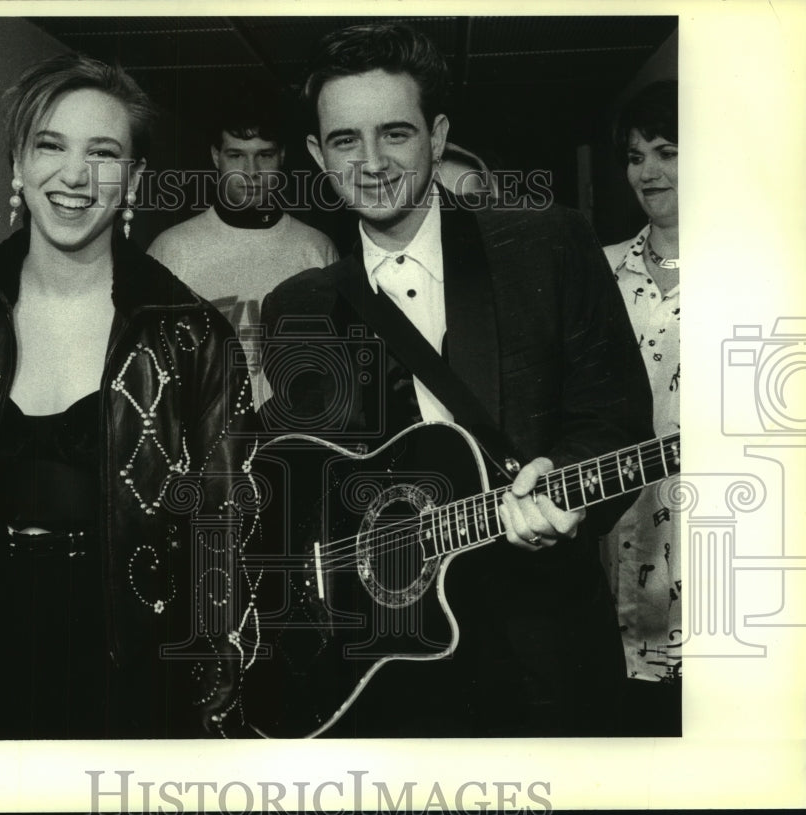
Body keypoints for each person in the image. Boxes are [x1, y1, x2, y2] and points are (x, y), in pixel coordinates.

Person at [258, 22, 654, 737]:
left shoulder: (547, 243)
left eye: (396, 134)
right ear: (317, 154)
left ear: (437, 136)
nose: (372, 162)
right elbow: (306, 489)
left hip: (543, 654)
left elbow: (617, 418)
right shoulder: (300, 307)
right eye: (345, 140)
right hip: (386, 671)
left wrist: (559, 482)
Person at [0, 53, 261, 740]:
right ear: (17, 163)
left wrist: (210, 747)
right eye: (50, 144)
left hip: (134, 704)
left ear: (134, 178)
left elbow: (224, 564)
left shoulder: (193, 338)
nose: (74, 175)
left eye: (102, 152)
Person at [147, 81, 338, 408]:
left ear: (281, 157)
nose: (251, 172)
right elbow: (149, 368)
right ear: (215, 157)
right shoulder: (171, 251)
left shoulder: (317, 250)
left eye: (264, 155)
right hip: (202, 445)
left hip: (292, 442)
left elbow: (334, 368)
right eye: (236, 155)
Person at [601, 79, 681, 735]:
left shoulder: (767, 269)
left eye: (666, 151)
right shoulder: (597, 272)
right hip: (620, 533)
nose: (648, 172)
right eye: (635, 155)